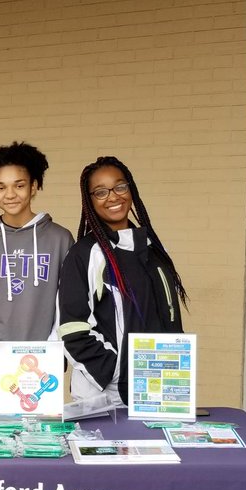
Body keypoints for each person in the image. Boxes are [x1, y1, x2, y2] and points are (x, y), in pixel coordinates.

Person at [57, 156, 188, 405]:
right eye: (101, 192)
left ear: (131, 189)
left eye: (120, 186)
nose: (113, 197)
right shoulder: (85, 254)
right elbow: (71, 328)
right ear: (89, 201)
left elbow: (168, 319)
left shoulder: (154, 250)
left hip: (158, 387)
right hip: (107, 395)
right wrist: (117, 370)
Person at [0, 142, 74, 407]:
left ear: (34, 186)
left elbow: (66, 306)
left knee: (36, 434)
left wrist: (51, 355)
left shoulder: (60, 239)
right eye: (1, 187)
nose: (9, 195)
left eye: (19, 185)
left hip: (38, 366)